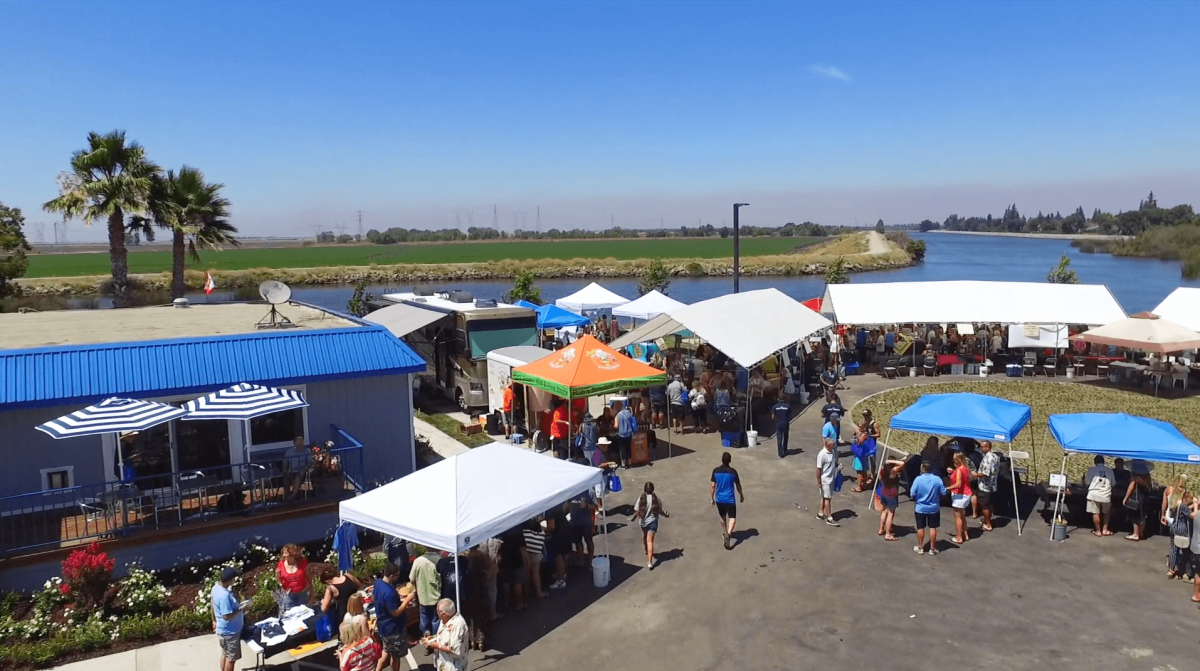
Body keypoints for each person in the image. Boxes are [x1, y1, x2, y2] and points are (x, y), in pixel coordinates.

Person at [373, 562, 418, 671]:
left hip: (383, 627)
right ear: (391, 575)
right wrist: (407, 599)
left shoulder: (378, 583)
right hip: (393, 629)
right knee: (396, 656)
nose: (398, 577)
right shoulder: (389, 593)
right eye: (397, 575)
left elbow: (374, 597)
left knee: (386, 650)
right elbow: (396, 612)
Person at [211, 567, 246, 671]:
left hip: (222, 630)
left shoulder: (216, 588)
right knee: (231, 659)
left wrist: (214, 620)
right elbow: (226, 616)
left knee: (225, 654)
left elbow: (212, 605)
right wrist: (241, 609)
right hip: (230, 632)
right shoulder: (224, 596)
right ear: (230, 580)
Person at [911, 462, 948, 555]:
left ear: (923, 469)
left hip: (920, 507)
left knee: (920, 527)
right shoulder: (937, 479)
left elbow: (912, 493)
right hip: (933, 508)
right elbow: (943, 492)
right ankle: (932, 548)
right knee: (932, 527)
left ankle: (920, 547)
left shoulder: (918, 479)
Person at [423, 598, 469, 671]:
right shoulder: (445, 619)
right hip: (444, 662)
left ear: (444, 614)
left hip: (453, 666)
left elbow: (453, 649)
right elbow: (444, 635)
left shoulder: (458, 625)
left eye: (438, 611)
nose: (436, 613)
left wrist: (436, 646)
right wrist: (432, 638)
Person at [711, 452, 744, 550]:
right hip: (730, 499)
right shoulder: (733, 472)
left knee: (723, 517)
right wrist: (741, 495)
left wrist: (712, 498)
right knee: (732, 518)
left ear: (722, 460)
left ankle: (725, 532)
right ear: (730, 460)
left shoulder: (715, 471)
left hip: (719, 499)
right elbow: (738, 485)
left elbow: (713, 486)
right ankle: (728, 534)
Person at [633, 481, 669, 569]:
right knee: (650, 541)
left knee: (645, 536)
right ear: (653, 489)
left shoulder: (641, 498)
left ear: (645, 489)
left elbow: (637, 510)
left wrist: (633, 518)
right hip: (652, 522)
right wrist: (666, 515)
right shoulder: (656, 499)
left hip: (643, 522)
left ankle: (646, 550)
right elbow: (660, 511)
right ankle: (649, 561)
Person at [409, 546, 443, 636]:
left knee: (425, 620)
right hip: (436, 596)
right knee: (435, 620)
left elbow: (412, 579)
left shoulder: (418, 561)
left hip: (423, 597)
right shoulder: (439, 560)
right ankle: (435, 638)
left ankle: (426, 638)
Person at [1081, 455, 1116, 537]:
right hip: (1105, 494)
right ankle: (1105, 529)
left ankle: (1098, 531)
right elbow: (1113, 483)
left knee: (1095, 513)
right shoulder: (1110, 471)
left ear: (1095, 462)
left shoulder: (1091, 470)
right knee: (1106, 513)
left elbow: (1086, 482)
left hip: (1094, 494)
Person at [970, 441, 1001, 532]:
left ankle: (987, 524)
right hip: (993, 485)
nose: (980, 448)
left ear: (988, 447)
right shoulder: (995, 456)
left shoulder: (988, 458)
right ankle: (988, 520)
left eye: (982, 447)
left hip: (985, 486)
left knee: (984, 506)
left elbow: (986, 473)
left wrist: (975, 474)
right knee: (989, 504)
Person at [877, 458, 906, 541]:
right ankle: (888, 534)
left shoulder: (883, 470)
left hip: (884, 492)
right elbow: (902, 464)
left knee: (884, 511)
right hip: (891, 494)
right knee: (890, 514)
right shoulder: (893, 471)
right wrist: (891, 461)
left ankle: (881, 529)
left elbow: (880, 478)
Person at [948, 452, 973, 545]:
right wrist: (953, 472)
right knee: (962, 515)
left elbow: (958, 484)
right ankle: (965, 534)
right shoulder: (965, 468)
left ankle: (959, 537)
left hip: (960, 495)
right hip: (966, 494)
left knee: (957, 516)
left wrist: (946, 488)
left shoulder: (959, 470)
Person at [521, 518, 549, 599]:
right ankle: (538, 592)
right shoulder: (540, 531)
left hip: (526, 551)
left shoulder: (523, 530)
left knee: (526, 571)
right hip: (536, 551)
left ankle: (526, 590)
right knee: (535, 572)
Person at [1123, 463, 1152, 541]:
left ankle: (1135, 534)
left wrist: (1126, 498)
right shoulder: (1147, 477)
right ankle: (1141, 533)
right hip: (1145, 497)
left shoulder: (1135, 476)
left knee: (1135, 515)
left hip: (1137, 497)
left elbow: (1131, 488)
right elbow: (1150, 486)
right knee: (1143, 515)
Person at [276, 544, 309, 612]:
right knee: (290, 613)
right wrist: (280, 584)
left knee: (304, 613)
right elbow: (278, 577)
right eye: (283, 552)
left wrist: (310, 589)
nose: (283, 554)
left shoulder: (302, 563)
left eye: (286, 552)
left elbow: (308, 575)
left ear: (293, 552)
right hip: (288, 594)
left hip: (302, 593)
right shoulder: (281, 564)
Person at [815, 437, 840, 527]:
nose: (833, 446)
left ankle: (821, 513)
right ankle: (829, 517)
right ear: (827, 445)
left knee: (824, 497)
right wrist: (819, 482)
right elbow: (818, 470)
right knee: (827, 498)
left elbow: (833, 463)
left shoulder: (832, 452)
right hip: (825, 480)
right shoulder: (822, 454)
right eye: (831, 445)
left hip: (831, 479)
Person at [569, 488, 596, 567]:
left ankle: (591, 559)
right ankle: (581, 560)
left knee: (589, 540)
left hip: (586, 522)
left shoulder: (590, 491)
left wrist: (587, 506)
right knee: (578, 542)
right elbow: (566, 505)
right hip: (574, 522)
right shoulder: (570, 489)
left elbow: (595, 506)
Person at [615, 401, 636, 470]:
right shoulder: (629, 413)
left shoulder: (618, 415)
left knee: (622, 449)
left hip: (621, 435)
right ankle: (629, 463)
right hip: (629, 433)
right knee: (628, 448)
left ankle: (623, 464)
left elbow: (616, 426)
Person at [772, 394, 791, 459]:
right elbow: (789, 415)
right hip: (785, 424)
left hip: (778, 424)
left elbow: (773, 417)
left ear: (778, 399)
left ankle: (780, 453)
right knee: (785, 437)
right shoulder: (788, 406)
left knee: (779, 438)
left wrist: (776, 421)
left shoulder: (775, 407)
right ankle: (785, 450)